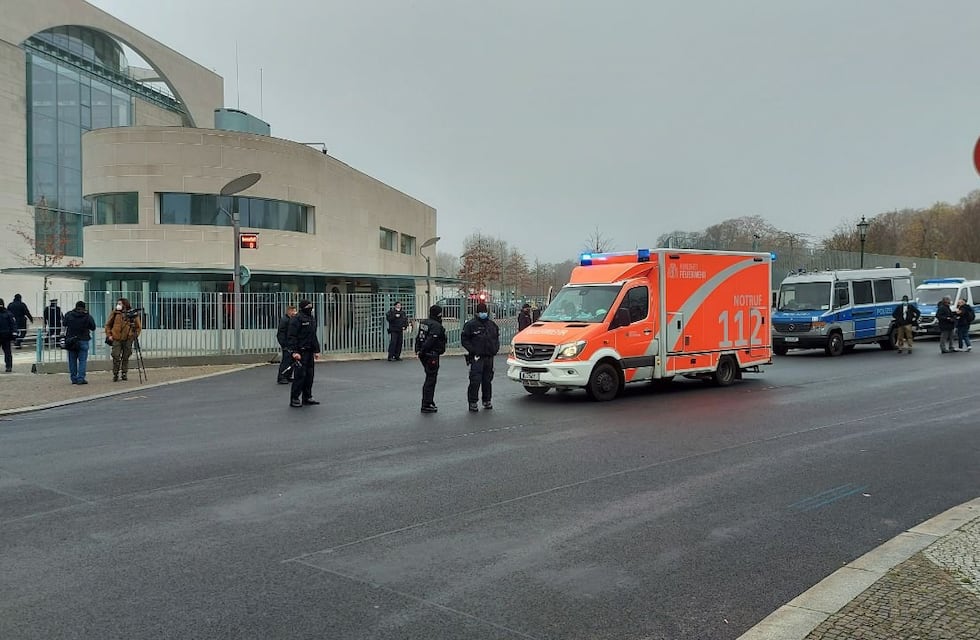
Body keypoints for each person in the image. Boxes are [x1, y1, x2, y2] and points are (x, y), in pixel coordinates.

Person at [461, 302, 500, 412]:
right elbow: (464, 340)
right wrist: (473, 350)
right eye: (481, 312)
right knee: (475, 380)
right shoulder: (470, 325)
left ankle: (487, 400)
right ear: (477, 313)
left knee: (487, 380)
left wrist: (495, 349)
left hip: (489, 357)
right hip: (477, 357)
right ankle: (473, 402)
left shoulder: (492, 325)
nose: (483, 314)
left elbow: (496, 338)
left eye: (484, 312)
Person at [286, 299, 321, 407]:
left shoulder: (311, 319)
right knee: (300, 376)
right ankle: (295, 398)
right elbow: (292, 337)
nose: (310, 308)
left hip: (309, 351)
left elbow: (313, 335)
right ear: (303, 308)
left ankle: (307, 397)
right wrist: (294, 352)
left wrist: (316, 350)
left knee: (309, 376)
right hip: (300, 352)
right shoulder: (296, 319)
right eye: (308, 306)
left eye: (311, 305)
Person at [415, 304, 448, 413]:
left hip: (424, 354)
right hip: (431, 354)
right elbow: (430, 340)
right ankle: (426, 403)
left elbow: (419, 337)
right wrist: (423, 350)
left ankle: (428, 401)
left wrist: (418, 350)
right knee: (431, 379)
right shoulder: (436, 326)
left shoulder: (424, 323)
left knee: (430, 377)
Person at [104, 297, 142, 382]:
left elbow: (138, 327)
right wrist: (109, 334)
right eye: (118, 304)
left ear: (125, 304)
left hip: (128, 338)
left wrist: (133, 336)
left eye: (120, 304)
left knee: (126, 356)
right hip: (116, 338)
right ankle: (115, 373)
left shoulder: (132, 314)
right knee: (115, 355)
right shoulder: (115, 313)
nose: (118, 305)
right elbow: (108, 325)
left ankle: (124, 373)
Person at [63, 300, 95, 385]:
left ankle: (73, 378)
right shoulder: (87, 316)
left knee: (72, 360)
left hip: (71, 340)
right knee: (82, 360)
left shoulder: (69, 315)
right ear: (84, 307)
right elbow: (93, 327)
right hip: (83, 340)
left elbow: (64, 324)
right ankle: (81, 378)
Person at [276, 305, 298, 383]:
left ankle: (288, 376)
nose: (295, 313)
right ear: (289, 311)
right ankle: (281, 377)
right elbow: (281, 334)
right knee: (286, 361)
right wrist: (284, 344)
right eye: (293, 311)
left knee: (292, 361)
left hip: (291, 343)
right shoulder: (285, 320)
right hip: (287, 344)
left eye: (295, 311)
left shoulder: (291, 320)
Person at [0, 299, 17, 373]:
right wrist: (14, 334)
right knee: (7, 352)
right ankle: (9, 366)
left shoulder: (8, 313)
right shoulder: (8, 313)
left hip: (5, 336)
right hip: (6, 336)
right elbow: (13, 324)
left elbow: (13, 324)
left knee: (7, 352)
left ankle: (9, 366)